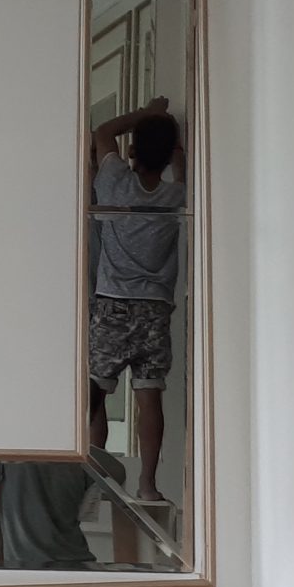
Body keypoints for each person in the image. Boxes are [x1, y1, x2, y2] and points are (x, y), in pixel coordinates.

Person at [88, 95, 185, 502]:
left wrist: (146, 113)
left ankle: (95, 477)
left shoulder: (114, 182)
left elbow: (102, 132)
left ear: (132, 151)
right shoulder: (175, 197)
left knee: (94, 394)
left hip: (112, 302)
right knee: (150, 396)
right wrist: (175, 151)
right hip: (154, 310)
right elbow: (179, 167)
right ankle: (147, 484)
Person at [0, 458, 98, 569]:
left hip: (25, 565)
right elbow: (84, 511)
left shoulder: (2, 453)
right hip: (75, 563)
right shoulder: (79, 456)